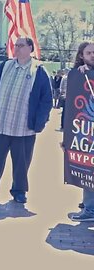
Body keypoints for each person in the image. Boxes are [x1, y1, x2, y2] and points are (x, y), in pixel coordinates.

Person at [0, 38, 52, 204]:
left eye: (21, 45)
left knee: (22, 163)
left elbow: (46, 100)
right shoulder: (5, 66)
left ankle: (19, 191)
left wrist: (39, 123)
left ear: (30, 49)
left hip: (24, 129)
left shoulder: (39, 71)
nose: (16, 48)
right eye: (15, 45)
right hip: (1, 125)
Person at [64, 41, 94, 222]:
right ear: (81, 55)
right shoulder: (76, 76)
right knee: (88, 167)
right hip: (85, 132)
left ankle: (90, 208)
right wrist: (67, 136)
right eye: (89, 53)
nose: (93, 55)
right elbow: (70, 108)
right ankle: (89, 207)